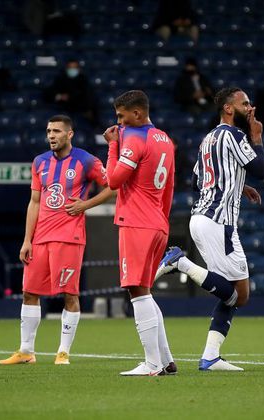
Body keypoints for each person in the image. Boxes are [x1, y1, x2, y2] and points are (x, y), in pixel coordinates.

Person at [155, 87, 264, 371]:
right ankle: (181, 262)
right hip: (219, 222)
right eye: (245, 104)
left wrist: (238, 186)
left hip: (203, 218)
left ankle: (210, 356)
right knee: (239, 295)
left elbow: (196, 181)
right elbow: (262, 169)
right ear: (229, 108)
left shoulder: (208, 140)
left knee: (235, 295)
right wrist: (257, 136)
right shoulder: (235, 135)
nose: (250, 108)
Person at [0, 115, 114, 366]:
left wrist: (86, 205)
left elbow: (112, 186)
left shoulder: (86, 160)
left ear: (69, 134)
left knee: (69, 294)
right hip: (40, 238)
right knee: (29, 292)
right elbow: (35, 202)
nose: (51, 135)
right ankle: (26, 351)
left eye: (57, 131)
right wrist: (27, 239)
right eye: (49, 131)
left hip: (69, 237)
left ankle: (63, 352)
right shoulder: (39, 162)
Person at [102, 90, 177, 376]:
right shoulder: (166, 140)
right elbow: (169, 187)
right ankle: (166, 360)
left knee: (137, 291)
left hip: (136, 222)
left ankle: (152, 364)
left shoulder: (133, 137)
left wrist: (112, 146)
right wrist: (162, 220)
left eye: (121, 116)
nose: (118, 123)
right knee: (144, 291)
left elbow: (113, 180)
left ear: (137, 113)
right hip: (157, 221)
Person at [44, 59, 97, 126]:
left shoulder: (83, 80)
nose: (72, 70)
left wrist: (70, 97)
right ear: (66, 69)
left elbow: (85, 96)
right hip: (62, 109)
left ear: (79, 69)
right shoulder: (60, 80)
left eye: (74, 68)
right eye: (70, 68)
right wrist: (59, 96)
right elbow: (48, 94)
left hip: (80, 111)